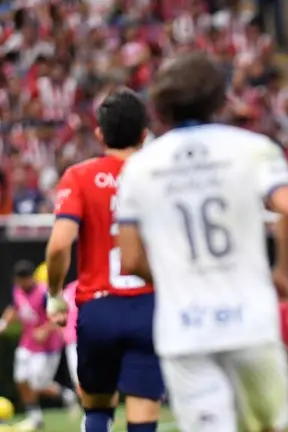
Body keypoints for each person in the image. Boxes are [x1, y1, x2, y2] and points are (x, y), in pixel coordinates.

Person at [116, 51, 288, 432]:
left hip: (183, 330)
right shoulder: (252, 148)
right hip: (250, 320)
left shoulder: (139, 168)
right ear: (220, 99)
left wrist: (172, 282)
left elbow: (131, 260)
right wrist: (283, 272)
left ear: (162, 106)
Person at [45, 89, 165, 432]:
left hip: (98, 310)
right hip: (148, 306)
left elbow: (58, 246)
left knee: (97, 407)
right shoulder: (157, 176)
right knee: (143, 410)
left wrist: (55, 296)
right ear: (144, 135)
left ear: (100, 134)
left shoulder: (79, 177)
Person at [0, 260, 78, 431]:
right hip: (27, 344)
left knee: (38, 385)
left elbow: (59, 315)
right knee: (21, 379)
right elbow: (14, 308)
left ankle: (66, 395)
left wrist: (45, 329)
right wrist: (3, 324)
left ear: (31, 278)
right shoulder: (18, 291)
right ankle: (35, 418)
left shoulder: (44, 293)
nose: (23, 283)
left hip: (47, 348)